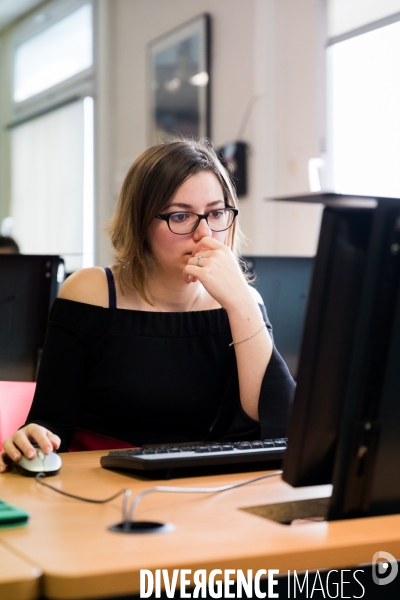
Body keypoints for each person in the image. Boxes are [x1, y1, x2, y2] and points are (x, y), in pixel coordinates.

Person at [0, 138, 295, 471]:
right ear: (140, 223)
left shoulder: (242, 302)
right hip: (104, 483)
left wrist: (240, 300)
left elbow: (280, 425)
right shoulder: (92, 292)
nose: (205, 234)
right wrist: (32, 439)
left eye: (216, 213)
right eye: (181, 216)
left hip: (207, 485)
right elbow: (50, 424)